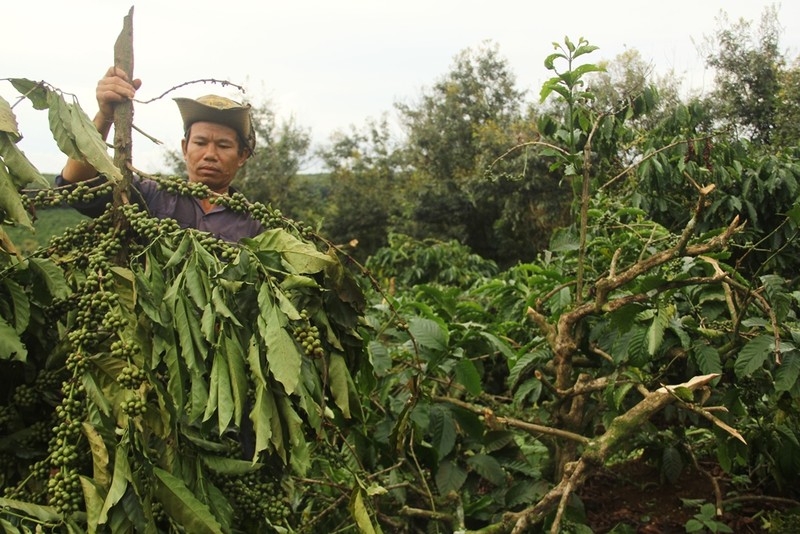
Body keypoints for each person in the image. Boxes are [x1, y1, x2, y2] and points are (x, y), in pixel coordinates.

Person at [56, 66, 263, 242]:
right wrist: (105, 117)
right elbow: (76, 184)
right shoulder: (150, 196)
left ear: (242, 156)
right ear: (185, 148)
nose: (210, 154)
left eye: (223, 145)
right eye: (200, 142)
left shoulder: (255, 225)